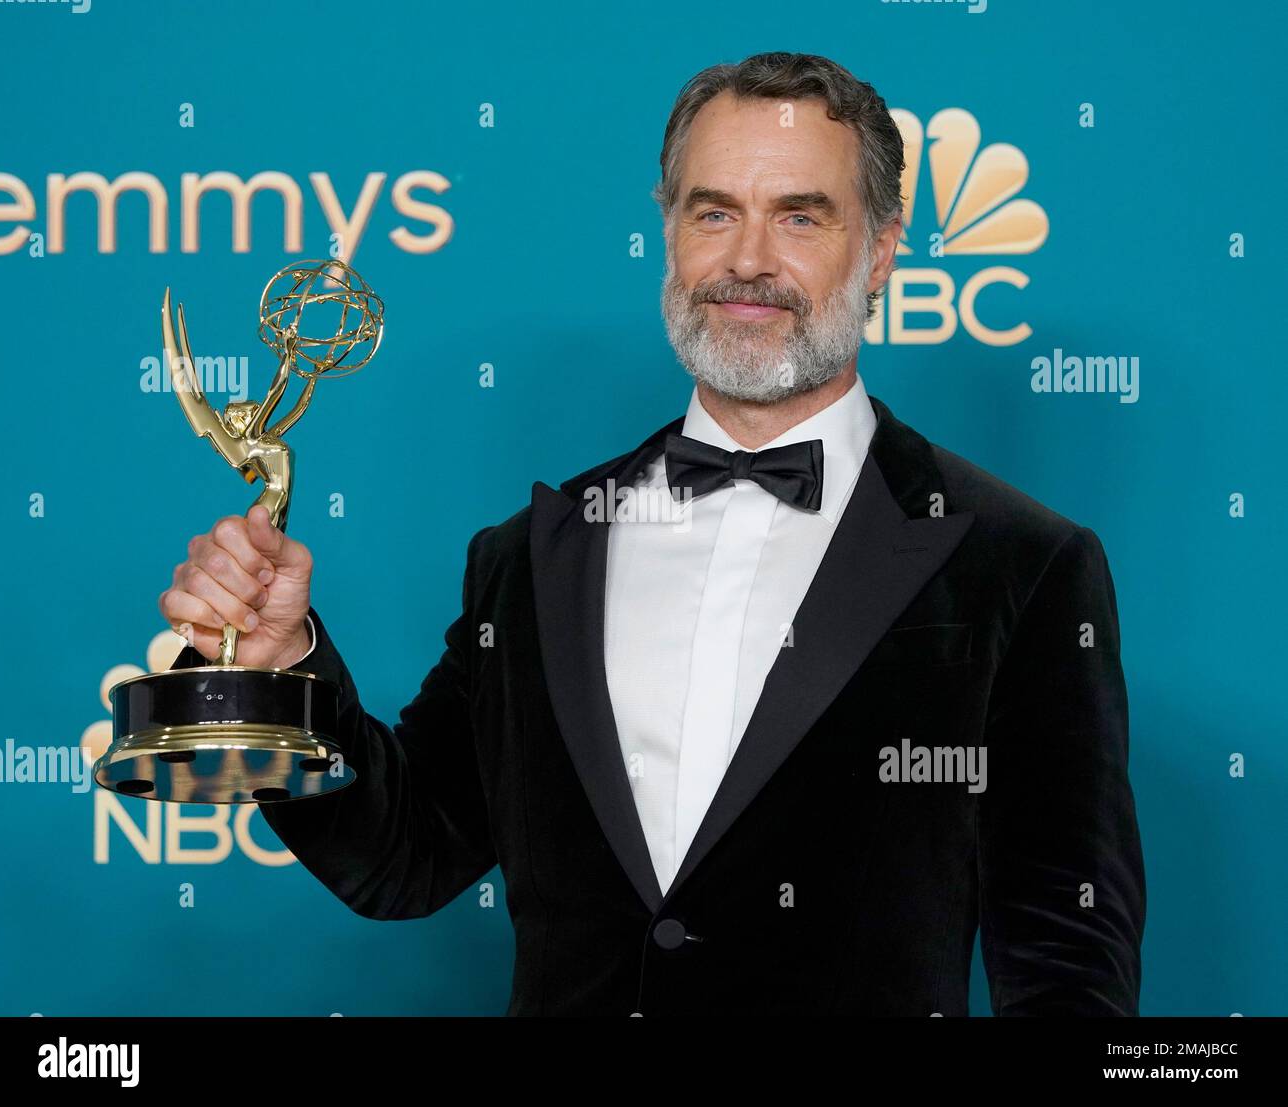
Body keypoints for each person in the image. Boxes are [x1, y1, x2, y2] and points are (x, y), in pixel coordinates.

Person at [161, 51, 1146, 1016]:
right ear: (667, 233)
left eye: (800, 217)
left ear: (882, 250)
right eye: (713, 212)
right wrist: (282, 665)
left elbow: (1065, 954)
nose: (747, 260)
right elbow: (402, 857)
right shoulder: (531, 557)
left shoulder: (1020, 564)